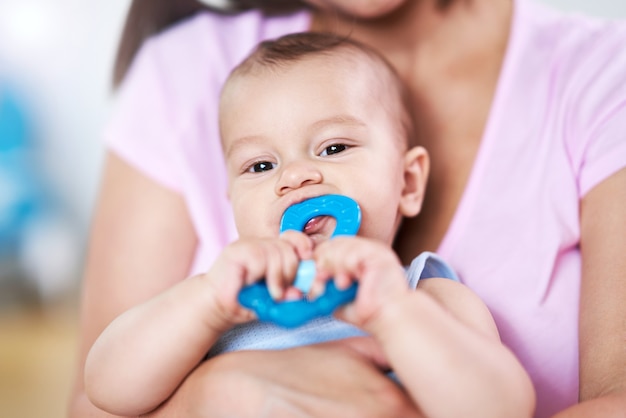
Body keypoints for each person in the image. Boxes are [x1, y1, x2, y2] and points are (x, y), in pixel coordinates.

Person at [69, 0, 626, 417]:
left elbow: (501, 407)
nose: (294, 176)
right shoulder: (221, 310)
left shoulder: (423, 295)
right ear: (229, 198)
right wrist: (205, 303)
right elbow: (104, 389)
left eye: (333, 149)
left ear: (409, 182)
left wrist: (393, 313)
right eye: (259, 167)